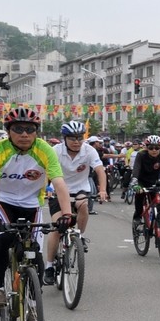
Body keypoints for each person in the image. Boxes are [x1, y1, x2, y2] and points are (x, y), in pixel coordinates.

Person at [0, 108, 73, 309]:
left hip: (32, 203)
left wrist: (67, 214)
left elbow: (59, 183)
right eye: (18, 129)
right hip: (4, 201)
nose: (24, 134)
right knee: (3, 239)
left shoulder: (45, 150)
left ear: (36, 132)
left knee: (34, 251)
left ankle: (32, 301)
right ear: (8, 131)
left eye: (30, 129)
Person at [42, 121, 108, 285]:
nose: (76, 141)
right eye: (72, 138)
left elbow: (100, 170)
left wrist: (102, 190)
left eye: (79, 138)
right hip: (58, 190)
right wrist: (46, 189)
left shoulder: (89, 150)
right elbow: (45, 171)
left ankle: (80, 235)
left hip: (80, 188)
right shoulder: (55, 151)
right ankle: (49, 266)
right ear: (64, 138)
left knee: (83, 204)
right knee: (57, 227)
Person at [129, 135, 160, 229]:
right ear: (146, 147)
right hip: (141, 181)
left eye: (157, 148)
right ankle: (138, 217)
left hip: (154, 181)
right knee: (139, 196)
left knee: (158, 203)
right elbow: (136, 169)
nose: (154, 150)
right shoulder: (141, 155)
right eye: (151, 147)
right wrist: (135, 182)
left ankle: (159, 222)